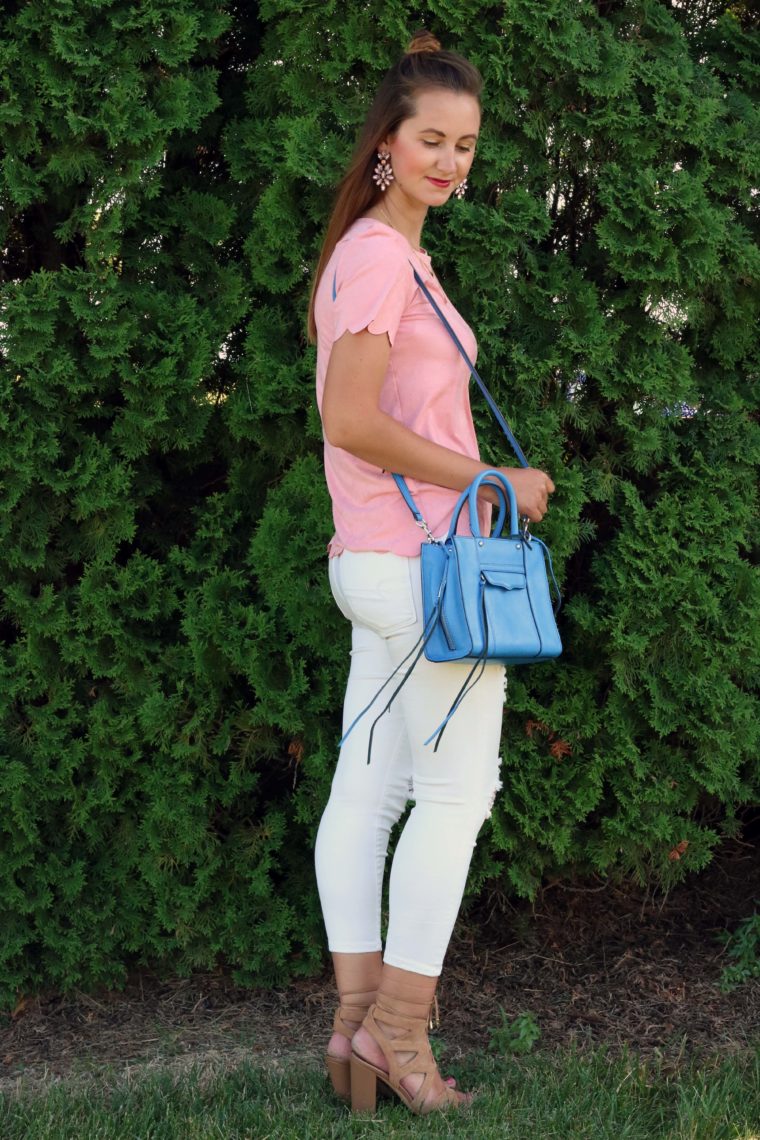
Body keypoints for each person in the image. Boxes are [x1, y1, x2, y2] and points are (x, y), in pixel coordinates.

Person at [307, 30, 555, 1116]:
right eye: (430, 142)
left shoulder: (394, 252)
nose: (450, 163)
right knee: (455, 793)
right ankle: (398, 1035)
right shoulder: (375, 257)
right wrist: (489, 474)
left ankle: (355, 1026)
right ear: (385, 146)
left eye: (465, 145)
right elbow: (350, 419)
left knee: (368, 791)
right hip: (422, 574)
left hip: (377, 568)